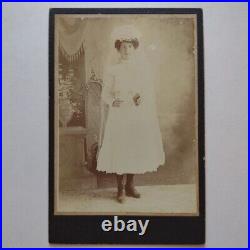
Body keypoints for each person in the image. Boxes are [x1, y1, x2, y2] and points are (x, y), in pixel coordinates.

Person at [97, 25, 165, 203]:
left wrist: (141, 98)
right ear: (118, 49)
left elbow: (146, 91)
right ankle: (120, 188)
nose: (126, 50)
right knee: (120, 148)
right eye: (123, 47)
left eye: (129, 46)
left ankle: (130, 185)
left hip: (135, 113)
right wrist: (113, 102)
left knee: (133, 147)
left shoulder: (141, 69)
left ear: (135, 48)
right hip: (119, 114)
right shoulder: (112, 69)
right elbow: (105, 93)